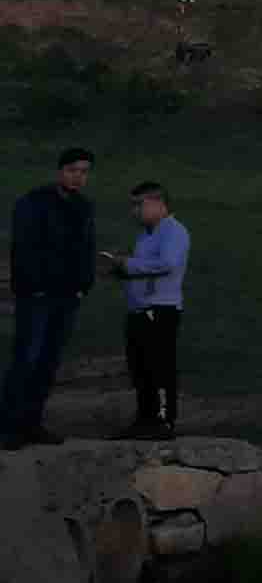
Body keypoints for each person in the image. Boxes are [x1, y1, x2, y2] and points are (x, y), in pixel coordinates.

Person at [3, 148, 99, 449]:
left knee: (48, 361)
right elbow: (24, 248)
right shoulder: (34, 202)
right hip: (38, 295)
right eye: (72, 170)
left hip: (67, 295)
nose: (78, 176)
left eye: (84, 171)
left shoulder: (83, 207)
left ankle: (32, 423)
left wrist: (84, 284)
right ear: (60, 171)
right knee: (27, 359)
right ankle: (9, 426)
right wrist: (34, 285)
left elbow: (87, 247)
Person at [106, 180, 188, 441]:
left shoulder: (174, 231)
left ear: (157, 203)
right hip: (139, 310)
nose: (133, 212)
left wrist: (127, 265)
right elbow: (146, 267)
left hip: (160, 310)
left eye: (138, 205)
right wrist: (118, 269)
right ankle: (145, 419)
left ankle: (163, 421)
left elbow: (167, 263)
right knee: (139, 367)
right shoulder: (147, 235)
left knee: (159, 367)